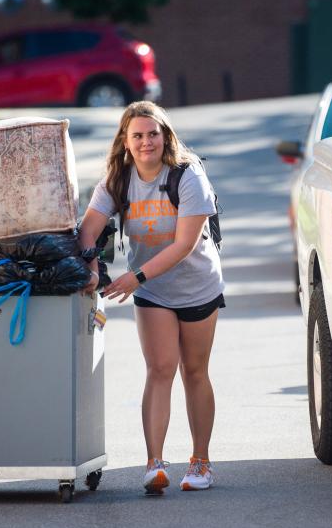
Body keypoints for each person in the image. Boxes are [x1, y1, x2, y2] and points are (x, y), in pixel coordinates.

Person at [79, 101, 224, 495]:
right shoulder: (118, 180)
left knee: (194, 371)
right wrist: (92, 267)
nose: (146, 142)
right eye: (138, 135)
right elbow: (88, 230)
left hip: (197, 285)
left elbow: (184, 244)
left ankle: (201, 462)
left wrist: (133, 276)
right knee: (160, 368)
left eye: (153, 134)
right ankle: (155, 463)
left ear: (165, 136)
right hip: (153, 290)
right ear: (125, 142)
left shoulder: (187, 174)